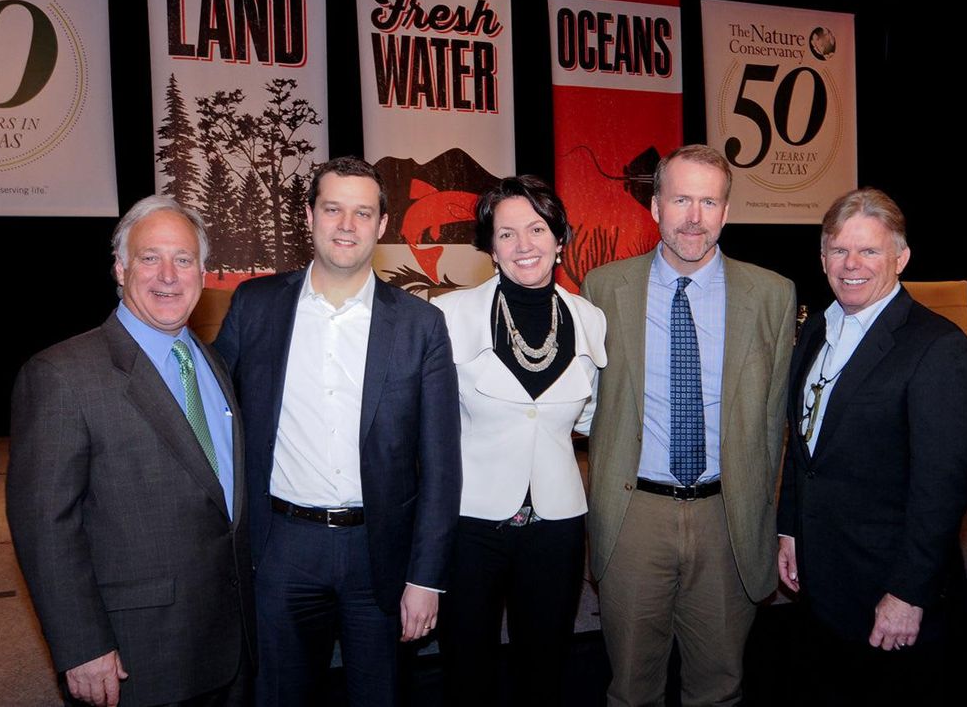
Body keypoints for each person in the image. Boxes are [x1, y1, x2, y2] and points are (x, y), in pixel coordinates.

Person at [213, 156, 461, 706]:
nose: (346, 224)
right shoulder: (255, 307)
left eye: (362, 212)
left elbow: (442, 465)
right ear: (309, 216)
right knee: (278, 695)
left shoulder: (421, 326)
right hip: (282, 548)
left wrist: (426, 577)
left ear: (380, 225)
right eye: (332, 209)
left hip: (380, 553)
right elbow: (212, 411)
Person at [7, 196, 254, 707]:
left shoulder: (211, 363)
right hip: (139, 654)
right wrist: (82, 646)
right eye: (149, 257)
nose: (168, 274)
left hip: (231, 640)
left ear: (202, 273)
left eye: (183, 259)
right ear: (120, 269)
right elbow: (44, 525)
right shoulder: (62, 375)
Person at [581, 144, 796, 706]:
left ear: (726, 212)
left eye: (708, 201)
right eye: (680, 199)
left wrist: (774, 518)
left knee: (719, 688)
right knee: (631, 689)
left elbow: (777, 421)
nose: (694, 217)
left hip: (729, 517)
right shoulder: (603, 289)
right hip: (634, 517)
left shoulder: (771, 294)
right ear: (654, 206)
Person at [777, 187, 967, 706]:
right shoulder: (816, 327)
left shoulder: (939, 347)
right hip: (823, 584)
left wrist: (909, 593)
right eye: (839, 250)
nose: (852, 264)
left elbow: (942, 487)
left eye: (869, 251)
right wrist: (790, 528)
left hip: (892, 593)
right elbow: (805, 449)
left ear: (901, 257)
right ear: (822, 259)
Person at [431, 176, 607, 706]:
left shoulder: (590, 320)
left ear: (560, 239)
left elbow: (594, 417)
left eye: (536, 229)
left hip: (557, 524)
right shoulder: (448, 316)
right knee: (467, 668)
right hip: (470, 523)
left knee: (546, 665)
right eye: (506, 234)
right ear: (489, 246)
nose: (523, 244)